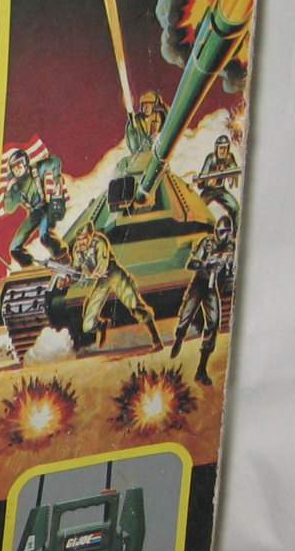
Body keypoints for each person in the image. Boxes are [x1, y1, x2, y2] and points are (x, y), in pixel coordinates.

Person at [72, 221, 164, 352]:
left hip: (114, 274)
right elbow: (75, 270)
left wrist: (87, 275)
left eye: (84, 238)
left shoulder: (100, 242)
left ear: (91, 235)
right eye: (79, 239)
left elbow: (102, 267)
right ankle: (101, 325)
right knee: (87, 325)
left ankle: (156, 340)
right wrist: (68, 279)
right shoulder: (77, 249)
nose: (81, 242)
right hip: (102, 281)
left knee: (134, 305)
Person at [173, 214, 236, 385]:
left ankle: (201, 370)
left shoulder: (231, 247)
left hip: (211, 286)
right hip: (199, 283)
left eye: (228, 232)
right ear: (216, 231)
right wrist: (206, 264)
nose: (225, 236)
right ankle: (179, 338)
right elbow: (190, 263)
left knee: (213, 323)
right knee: (186, 316)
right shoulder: (207, 243)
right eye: (222, 232)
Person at [0, 144, 68, 268]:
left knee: (45, 237)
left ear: (25, 163)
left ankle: (62, 257)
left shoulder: (36, 170)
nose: (17, 169)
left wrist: (56, 180)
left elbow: (55, 162)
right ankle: (29, 266)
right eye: (14, 167)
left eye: (19, 164)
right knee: (14, 249)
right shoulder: (16, 188)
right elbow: (9, 209)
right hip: (34, 214)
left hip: (45, 208)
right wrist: (9, 191)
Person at [195, 134, 241, 225]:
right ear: (217, 148)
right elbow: (203, 177)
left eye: (225, 148)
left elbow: (234, 170)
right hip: (208, 191)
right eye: (221, 148)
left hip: (221, 190)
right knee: (197, 209)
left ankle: (235, 231)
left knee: (235, 208)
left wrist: (231, 174)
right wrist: (207, 182)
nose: (223, 151)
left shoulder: (229, 157)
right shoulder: (211, 158)